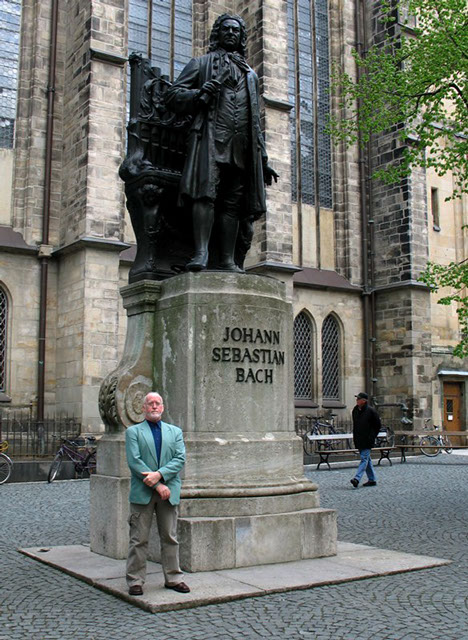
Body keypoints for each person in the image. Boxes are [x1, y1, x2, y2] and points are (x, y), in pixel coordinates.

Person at [165, 14, 278, 273]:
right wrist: (199, 93)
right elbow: (173, 95)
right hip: (210, 140)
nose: (231, 33)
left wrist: (263, 159)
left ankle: (227, 259)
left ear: (241, 37)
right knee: (205, 194)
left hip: (241, 147)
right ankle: (201, 253)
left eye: (236, 31)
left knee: (233, 203)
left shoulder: (250, 75)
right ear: (218, 33)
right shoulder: (201, 63)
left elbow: (255, 121)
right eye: (226, 29)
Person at [125, 392, 189, 595]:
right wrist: (158, 485)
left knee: (170, 537)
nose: (154, 406)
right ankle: (135, 580)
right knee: (138, 538)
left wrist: (160, 475)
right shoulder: (133, 432)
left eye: (157, 403)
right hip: (144, 491)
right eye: (150, 403)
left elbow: (180, 458)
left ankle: (173, 578)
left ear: (162, 407)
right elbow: (134, 461)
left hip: (168, 491)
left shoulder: (175, 432)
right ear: (143, 407)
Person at [350, 392, 382, 488]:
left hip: (368, 439)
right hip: (359, 439)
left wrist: (372, 436)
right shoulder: (355, 410)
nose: (357, 400)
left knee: (364, 459)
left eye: (358, 399)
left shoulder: (371, 411)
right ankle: (372, 479)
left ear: (364, 401)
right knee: (367, 459)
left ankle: (357, 478)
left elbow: (377, 425)